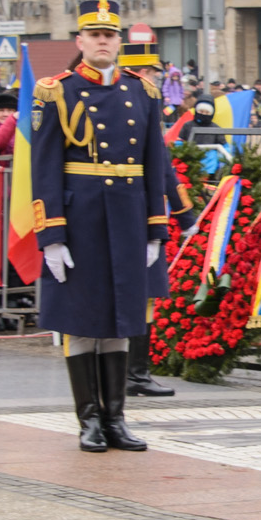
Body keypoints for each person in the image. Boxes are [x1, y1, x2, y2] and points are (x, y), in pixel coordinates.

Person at [30, 0, 171, 452]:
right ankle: (88, 419)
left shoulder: (142, 92)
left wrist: (155, 228)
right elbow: (44, 166)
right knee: (80, 318)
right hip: (81, 216)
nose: (103, 42)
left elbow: (155, 163)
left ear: (119, 41)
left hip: (127, 215)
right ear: (81, 41)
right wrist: (51, 235)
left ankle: (115, 418)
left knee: (119, 318)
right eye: (95, 35)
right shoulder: (56, 90)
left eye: (110, 35)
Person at [115, 32, 197, 398]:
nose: (159, 80)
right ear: (142, 72)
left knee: (133, 292)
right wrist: (186, 215)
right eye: (154, 72)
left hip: (120, 210)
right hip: (139, 213)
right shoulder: (141, 102)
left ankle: (132, 372)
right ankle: (136, 373)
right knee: (143, 293)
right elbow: (161, 166)